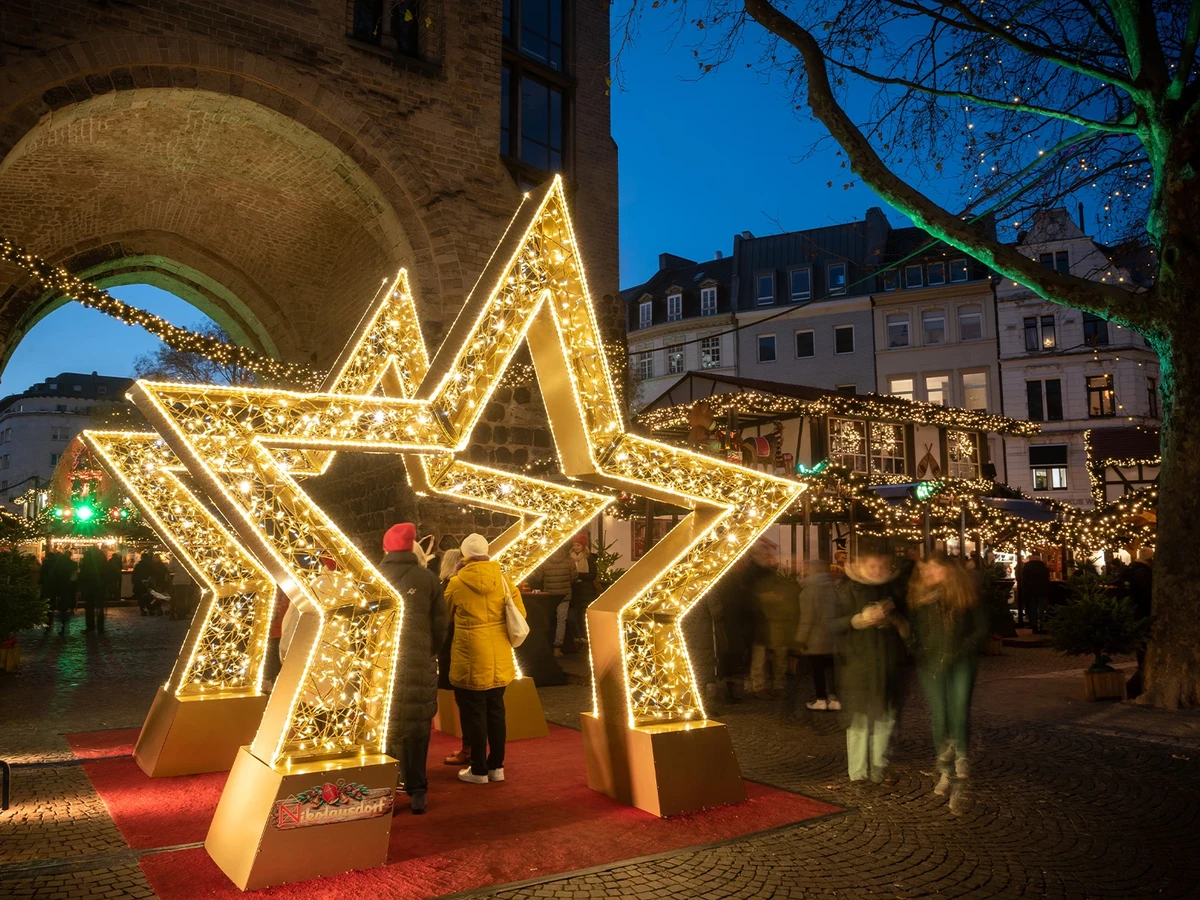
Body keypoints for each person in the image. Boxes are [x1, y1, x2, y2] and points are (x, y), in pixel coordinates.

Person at [907, 556, 989, 814]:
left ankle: (961, 756)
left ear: (948, 571)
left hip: (961, 662)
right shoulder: (919, 599)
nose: (927, 572)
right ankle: (944, 768)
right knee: (940, 713)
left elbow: (982, 627)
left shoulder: (965, 595)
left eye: (933, 567)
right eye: (924, 569)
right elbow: (913, 632)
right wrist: (917, 650)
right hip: (931, 664)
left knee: (959, 707)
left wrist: (962, 650)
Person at [444, 533, 525, 785]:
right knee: (497, 711)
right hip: (499, 655)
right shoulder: (503, 580)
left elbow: (445, 617)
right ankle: (496, 767)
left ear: (464, 554)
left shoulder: (456, 583)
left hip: (470, 656)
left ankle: (478, 769)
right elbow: (520, 613)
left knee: (474, 713)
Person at [379, 523, 446, 815]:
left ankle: (386, 790)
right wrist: (428, 652)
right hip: (419, 663)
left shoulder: (374, 579)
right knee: (418, 729)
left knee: (387, 730)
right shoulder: (427, 579)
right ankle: (417, 791)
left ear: (386, 547)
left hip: (382, 665)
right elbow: (440, 626)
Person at [831, 552, 908, 784]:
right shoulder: (845, 590)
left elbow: (907, 628)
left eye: (881, 566)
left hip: (887, 666)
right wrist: (858, 620)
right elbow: (831, 623)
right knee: (859, 721)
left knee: (885, 719)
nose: (877, 571)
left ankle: (879, 767)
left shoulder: (894, 591)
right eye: (872, 565)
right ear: (861, 567)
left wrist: (893, 619)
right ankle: (858, 773)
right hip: (857, 666)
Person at [748, 546, 798, 697]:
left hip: (773, 622)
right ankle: (765, 686)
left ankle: (767, 685)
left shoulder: (764, 577)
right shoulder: (756, 577)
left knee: (771, 656)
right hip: (765, 622)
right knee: (766, 657)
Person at [437, 548, 471, 767]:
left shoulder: (449, 587)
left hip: (453, 649)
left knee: (466, 704)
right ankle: (473, 750)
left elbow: (443, 620)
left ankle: (468, 750)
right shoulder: (467, 584)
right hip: (472, 649)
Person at [795, 559, 841, 711]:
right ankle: (834, 699)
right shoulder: (833, 587)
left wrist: (801, 638)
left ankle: (820, 699)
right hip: (833, 633)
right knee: (833, 668)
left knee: (818, 668)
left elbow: (806, 618)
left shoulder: (808, 591)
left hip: (816, 636)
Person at [540, 545, 576, 657]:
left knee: (547, 621)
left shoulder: (544, 560)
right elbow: (574, 577)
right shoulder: (569, 560)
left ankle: (545, 646)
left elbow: (538, 577)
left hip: (548, 595)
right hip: (564, 595)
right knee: (561, 622)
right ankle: (557, 648)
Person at [566, 533, 597, 651]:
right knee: (572, 617)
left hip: (586, 591)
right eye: (574, 545)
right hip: (574, 591)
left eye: (578, 545)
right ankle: (577, 638)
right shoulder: (569, 557)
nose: (576, 547)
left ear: (583, 546)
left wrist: (578, 575)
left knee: (583, 616)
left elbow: (592, 575)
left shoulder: (589, 558)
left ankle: (585, 638)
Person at [78, 547, 107, 633]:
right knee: (99, 606)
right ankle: (100, 627)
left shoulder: (86, 560)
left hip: (89, 586)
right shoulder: (102, 559)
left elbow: (83, 572)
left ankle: (90, 626)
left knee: (89, 607)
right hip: (100, 586)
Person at [1020, 552, 1051, 634]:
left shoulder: (1027, 568)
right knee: (1041, 608)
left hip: (1031, 591)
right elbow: (1047, 579)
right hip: (1042, 590)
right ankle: (1042, 624)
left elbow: (1024, 579)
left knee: (1032, 608)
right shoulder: (1043, 568)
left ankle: (1034, 625)